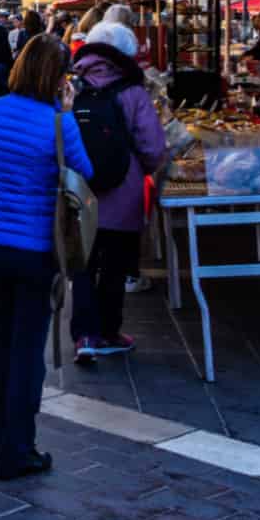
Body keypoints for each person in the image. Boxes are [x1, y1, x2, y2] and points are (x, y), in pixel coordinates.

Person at [0, 34, 95, 479]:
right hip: (32, 248)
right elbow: (84, 172)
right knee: (27, 349)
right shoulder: (59, 123)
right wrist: (65, 112)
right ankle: (18, 448)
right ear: (58, 77)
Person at [68, 19, 166, 362]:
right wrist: (148, 169)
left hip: (81, 192)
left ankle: (84, 336)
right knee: (113, 266)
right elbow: (152, 146)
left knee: (82, 264)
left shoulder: (74, 85)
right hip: (123, 196)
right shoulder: (134, 93)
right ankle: (109, 331)